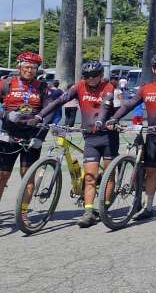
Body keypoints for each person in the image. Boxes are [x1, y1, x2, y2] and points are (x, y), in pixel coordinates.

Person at [106, 53, 156, 221]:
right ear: (153, 69)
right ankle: (148, 206)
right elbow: (129, 104)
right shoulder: (146, 88)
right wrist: (115, 118)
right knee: (151, 173)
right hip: (153, 136)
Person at [33, 61, 115, 227]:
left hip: (108, 136)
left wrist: (100, 121)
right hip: (90, 137)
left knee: (109, 174)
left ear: (100, 75)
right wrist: (40, 116)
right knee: (90, 177)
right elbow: (59, 101)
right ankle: (89, 212)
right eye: (87, 76)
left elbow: (106, 107)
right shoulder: (79, 87)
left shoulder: (107, 87)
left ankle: (104, 207)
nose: (91, 79)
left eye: (94, 76)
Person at [0, 52, 51, 215]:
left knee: (27, 176)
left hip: (32, 137)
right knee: (2, 175)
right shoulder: (6, 83)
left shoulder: (42, 87)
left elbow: (48, 113)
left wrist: (40, 137)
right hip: (9, 135)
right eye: (26, 67)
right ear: (19, 67)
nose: (30, 70)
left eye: (33, 68)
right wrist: (6, 115)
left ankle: (23, 214)